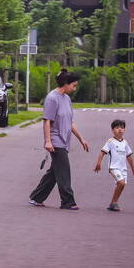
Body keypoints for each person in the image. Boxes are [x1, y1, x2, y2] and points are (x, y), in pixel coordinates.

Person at [28, 69, 90, 210]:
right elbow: (47, 121)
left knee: (55, 173)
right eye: (74, 85)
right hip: (56, 141)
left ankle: (36, 198)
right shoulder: (52, 98)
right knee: (64, 171)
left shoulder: (66, 99)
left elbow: (70, 122)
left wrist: (81, 138)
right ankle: (68, 201)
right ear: (66, 84)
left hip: (64, 140)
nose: (75, 88)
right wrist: (48, 141)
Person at [94, 118, 134, 211]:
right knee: (121, 183)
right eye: (117, 127)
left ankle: (113, 203)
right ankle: (114, 203)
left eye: (122, 127)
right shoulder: (110, 141)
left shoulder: (125, 143)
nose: (120, 129)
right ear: (112, 130)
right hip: (114, 167)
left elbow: (129, 155)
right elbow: (102, 152)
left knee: (122, 185)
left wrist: (133, 168)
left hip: (123, 168)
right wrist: (98, 163)